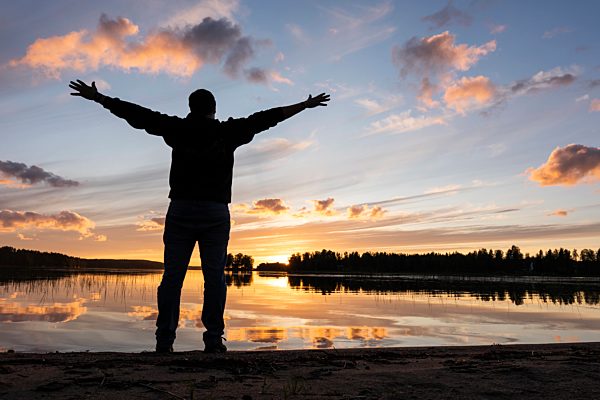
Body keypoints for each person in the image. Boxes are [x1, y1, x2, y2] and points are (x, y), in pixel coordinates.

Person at [69, 79, 330, 353]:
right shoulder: (228, 131)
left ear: (190, 108)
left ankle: (164, 341)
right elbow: (268, 118)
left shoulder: (178, 128)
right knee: (214, 278)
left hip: (181, 209)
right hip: (215, 212)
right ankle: (214, 339)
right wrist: (304, 105)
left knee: (172, 277)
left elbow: (138, 114)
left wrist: (100, 99)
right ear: (214, 108)